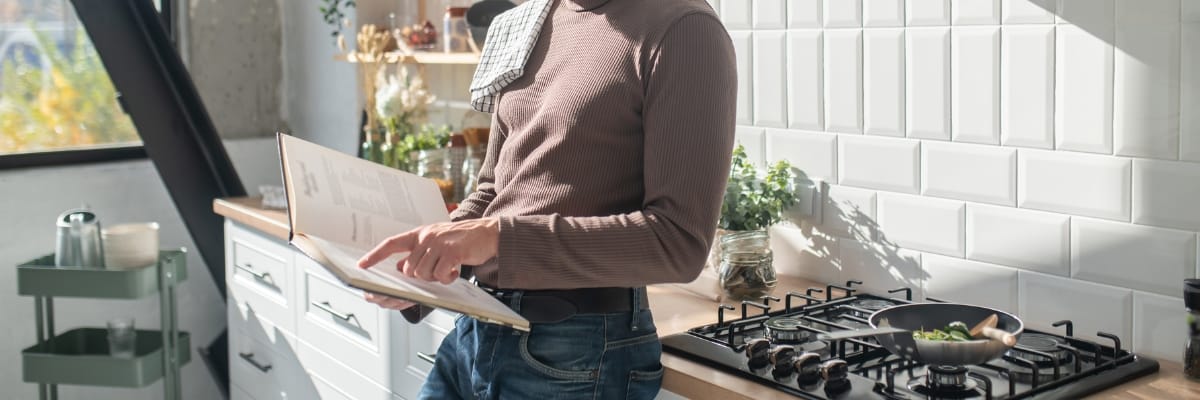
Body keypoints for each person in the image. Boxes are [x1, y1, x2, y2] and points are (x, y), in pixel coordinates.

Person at [356, 0, 736, 398]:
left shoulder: (684, 29)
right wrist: (418, 268)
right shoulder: (531, 21)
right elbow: (493, 188)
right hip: (476, 330)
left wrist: (499, 237)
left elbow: (678, 243)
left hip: (577, 354)